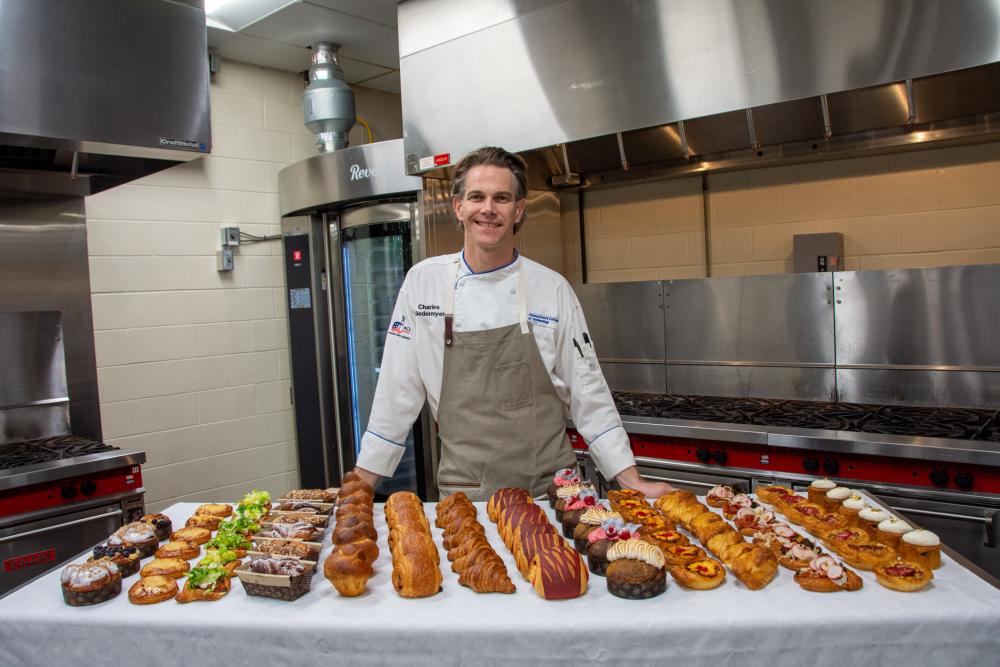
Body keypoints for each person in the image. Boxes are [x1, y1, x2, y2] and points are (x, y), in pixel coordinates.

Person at [351, 146, 676, 501]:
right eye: (477, 197)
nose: (488, 209)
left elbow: (589, 393)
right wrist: (362, 484)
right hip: (467, 498)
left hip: (551, 495)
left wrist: (630, 480)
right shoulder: (423, 283)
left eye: (501, 198)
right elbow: (396, 392)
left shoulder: (551, 289)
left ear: (518, 209)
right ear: (458, 207)